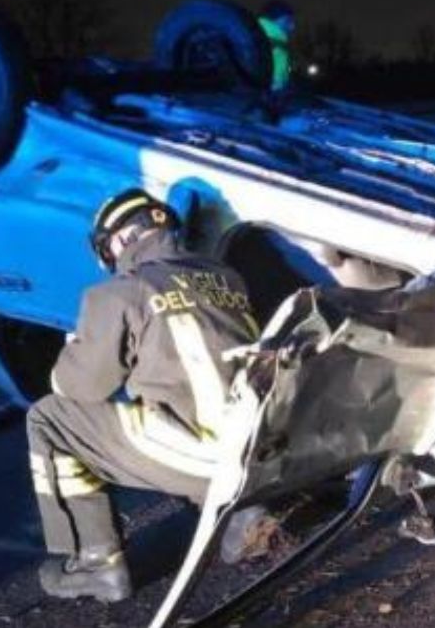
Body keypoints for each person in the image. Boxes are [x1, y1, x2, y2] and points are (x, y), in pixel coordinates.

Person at [26, 189, 272, 601]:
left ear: (120, 241)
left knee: (49, 419)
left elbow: (76, 388)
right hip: (261, 444)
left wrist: (77, 347)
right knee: (179, 404)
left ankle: (97, 564)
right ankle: (240, 515)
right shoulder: (229, 279)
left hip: (205, 452)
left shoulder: (117, 294)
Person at [257, 0, 295, 92]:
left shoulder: (260, 38)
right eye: (288, 21)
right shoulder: (269, 42)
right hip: (264, 100)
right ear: (273, 20)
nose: (292, 27)